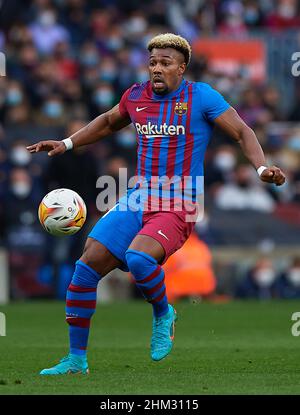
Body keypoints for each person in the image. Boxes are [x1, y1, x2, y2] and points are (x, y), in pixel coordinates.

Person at [27, 33, 286, 375]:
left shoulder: (201, 97)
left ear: (182, 68)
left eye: (165, 63)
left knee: (137, 257)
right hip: (140, 196)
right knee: (85, 268)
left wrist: (262, 167)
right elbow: (107, 122)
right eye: (152, 63)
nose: (157, 69)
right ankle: (76, 360)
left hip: (180, 201)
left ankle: (164, 313)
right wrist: (67, 142)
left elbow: (242, 132)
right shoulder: (136, 96)